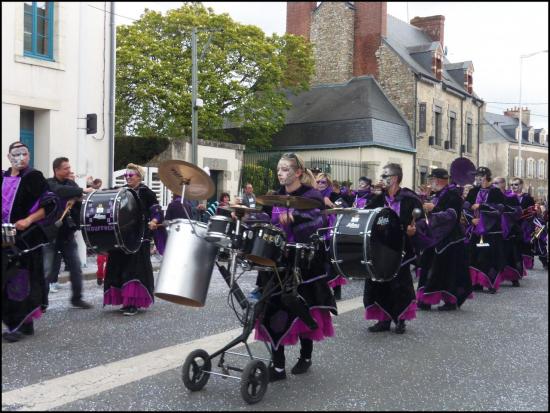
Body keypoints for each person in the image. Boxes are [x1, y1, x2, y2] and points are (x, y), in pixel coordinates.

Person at [254, 153, 337, 382]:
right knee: (271, 309)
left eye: (285, 169)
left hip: (303, 261)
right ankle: (278, 366)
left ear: (298, 172)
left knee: (303, 310)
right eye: (278, 169)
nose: (280, 173)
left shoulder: (311, 196)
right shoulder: (275, 196)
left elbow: (317, 222)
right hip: (277, 260)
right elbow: (266, 219)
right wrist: (244, 215)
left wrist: (296, 218)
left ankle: (306, 355)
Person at [2, 142, 59, 342]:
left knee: (18, 280)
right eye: (16, 154)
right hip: (4, 238)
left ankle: (15, 325)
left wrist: (28, 220)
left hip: (25, 239)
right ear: (9, 157)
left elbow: (50, 204)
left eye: (24, 153)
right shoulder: (2, 177)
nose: (21, 157)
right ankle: (23, 323)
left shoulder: (34, 177)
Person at [362, 163, 419, 334]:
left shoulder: (410, 198)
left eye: (385, 176)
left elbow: (421, 220)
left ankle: (400, 319)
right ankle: (383, 320)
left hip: (400, 248)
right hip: (379, 250)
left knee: (400, 285)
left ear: (394, 178)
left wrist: (414, 230)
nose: (382, 179)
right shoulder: (379, 199)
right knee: (378, 284)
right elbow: (366, 216)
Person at [103, 163, 163, 316]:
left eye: (131, 175)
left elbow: (157, 211)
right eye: (126, 175)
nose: (127, 178)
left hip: (139, 236)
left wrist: (154, 221)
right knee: (119, 266)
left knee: (134, 269)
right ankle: (125, 300)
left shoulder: (146, 193)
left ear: (139, 177)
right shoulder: (122, 191)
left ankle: (133, 303)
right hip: (123, 236)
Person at [415, 168, 473, 311]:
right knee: (428, 268)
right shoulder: (439, 194)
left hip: (450, 239)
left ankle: (450, 299)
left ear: (440, 180)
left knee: (447, 271)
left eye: (432, 179)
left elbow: (451, 215)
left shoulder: (453, 194)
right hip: (435, 237)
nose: (430, 183)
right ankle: (426, 299)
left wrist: (433, 208)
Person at [44, 157, 94, 309]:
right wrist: (81, 190)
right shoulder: (48, 183)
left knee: (75, 267)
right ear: (57, 170)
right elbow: (59, 191)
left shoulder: (71, 184)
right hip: (50, 235)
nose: (69, 170)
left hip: (67, 235)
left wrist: (77, 199)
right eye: (66, 168)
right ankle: (41, 302)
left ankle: (77, 299)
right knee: (46, 270)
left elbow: (75, 196)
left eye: (69, 167)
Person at [464, 167, 507, 293]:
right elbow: (465, 208)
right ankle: (476, 282)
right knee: (475, 256)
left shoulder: (496, 192)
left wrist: (481, 206)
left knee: (490, 258)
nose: (477, 178)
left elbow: (499, 209)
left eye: (480, 176)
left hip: (491, 231)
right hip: (476, 231)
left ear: (487, 177)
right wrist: (471, 219)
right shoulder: (473, 191)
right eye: (476, 175)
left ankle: (491, 284)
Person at [315, 173, 346, 300]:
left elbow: (343, 207)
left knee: (331, 259)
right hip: (318, 228)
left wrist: (331, 204)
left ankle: (336, 289)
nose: (321, 184)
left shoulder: (333, 194)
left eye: (324, 182)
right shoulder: (313, 195)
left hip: (331, 230)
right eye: (318, 182)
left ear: (328, 184)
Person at [493, 177, 523, 287]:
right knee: (496, 254)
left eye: (496, 183)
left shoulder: (511, 196)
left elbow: (518, 212)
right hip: (495, 229)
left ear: (503, 184)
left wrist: (506, 211)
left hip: (510, 229)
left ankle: (514, 277)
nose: (494, 185)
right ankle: (496, 278)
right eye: (493, 183)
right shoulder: (492, 196)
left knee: (511, 254)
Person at [510, 177, 536, 273]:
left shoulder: (527, 197)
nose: (513, 186)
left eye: (516, 184)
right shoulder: (509, 196)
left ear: (521, 185)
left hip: (525, 224)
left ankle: (527, 262)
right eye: (512, 185)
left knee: (526, 243)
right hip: (512, 224)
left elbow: (532, 211)